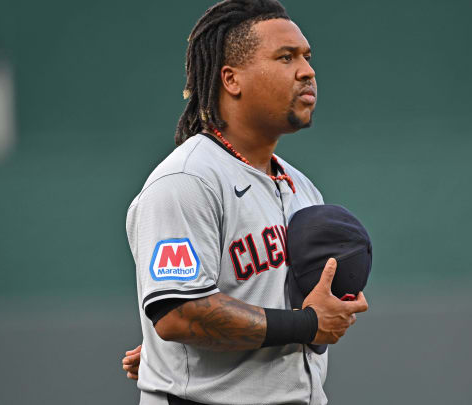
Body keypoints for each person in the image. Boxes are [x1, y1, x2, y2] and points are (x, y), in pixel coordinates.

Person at [123, 1, 368, 404]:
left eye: (306, 57)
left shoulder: (301, 188)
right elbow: (179, 314)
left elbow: (281, 317)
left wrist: (329, 313)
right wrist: (307, 323)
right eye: (285, 57)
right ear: (231, 79)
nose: (307, 71)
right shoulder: (187, 181)